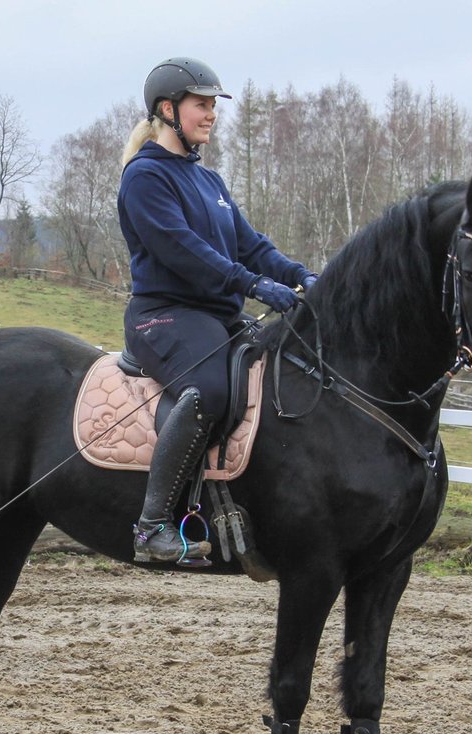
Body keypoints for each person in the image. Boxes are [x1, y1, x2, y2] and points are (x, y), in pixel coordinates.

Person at [118, 57, 317, 564]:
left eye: (212, 106)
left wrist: (300, 275)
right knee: (207, 387)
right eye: (201, 105)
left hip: (214, 317)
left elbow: (251, 245)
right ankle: (152, 528)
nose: (211, 115)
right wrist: (253, 285)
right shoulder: (145, 177)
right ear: (169, 110)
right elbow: (183, 251)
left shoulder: (210, 182)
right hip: (162, 316)